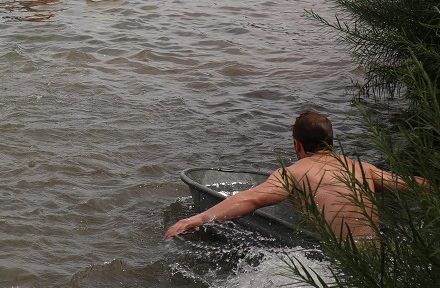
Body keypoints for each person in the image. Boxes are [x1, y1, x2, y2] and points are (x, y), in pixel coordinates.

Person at [165, 111, 426, 243]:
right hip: (374, 257)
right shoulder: (364, 169)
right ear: (331, 142)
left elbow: (250, 199)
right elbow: (415, 185)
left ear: (296, 145)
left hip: (331, 260)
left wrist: (196, 218)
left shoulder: (293, 173)